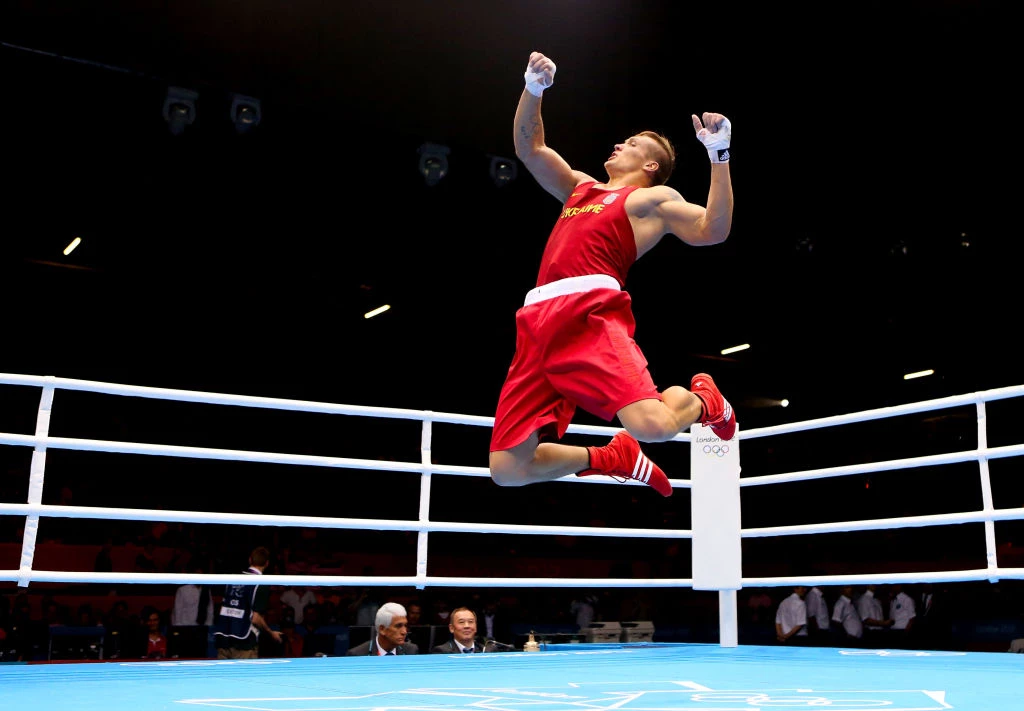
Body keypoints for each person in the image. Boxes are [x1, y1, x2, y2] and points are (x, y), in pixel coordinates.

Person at [488, 51, 736, 498]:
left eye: (633, 144)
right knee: (508, 467)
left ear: (650, 167)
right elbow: (531, 148)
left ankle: (704, 402)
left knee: (654, 426)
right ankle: (608, 458)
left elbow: (711, 231)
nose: (619, 144)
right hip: (537, 325)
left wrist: (719, 155)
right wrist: (533, 88)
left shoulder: (650, 201)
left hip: (589, 316)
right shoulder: (580, 188)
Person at [212, 546, 283, 659]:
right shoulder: (261, 583)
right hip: (244, 643)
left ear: (250, 560)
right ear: (267, 563)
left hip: (223, 639)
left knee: (223, 676)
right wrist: (271, 633)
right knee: (246, 676)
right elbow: (255, 618)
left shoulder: (232, 579)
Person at [345, 602, 419, 656]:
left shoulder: (411, 650)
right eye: (398, 626)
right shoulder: (357, 655)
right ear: (382, 629)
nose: (404, 632)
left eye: (405, 625)